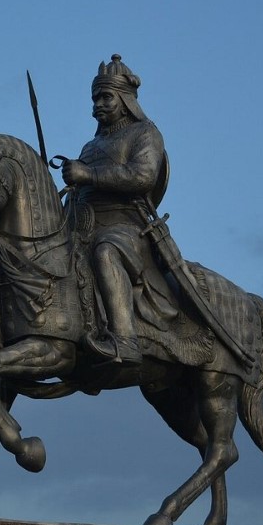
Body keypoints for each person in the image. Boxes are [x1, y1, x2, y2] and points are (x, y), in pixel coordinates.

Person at [61, 54, 171, 366]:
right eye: (95, 98)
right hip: (84, 225)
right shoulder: (89, 146)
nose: (98, 104)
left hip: (126, 226)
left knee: (105, 251)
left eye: (106, 97)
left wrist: (88, 175)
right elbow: (80, 192)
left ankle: (125, 340)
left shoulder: (145, 133)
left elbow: (143, 176)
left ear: (125, 99)